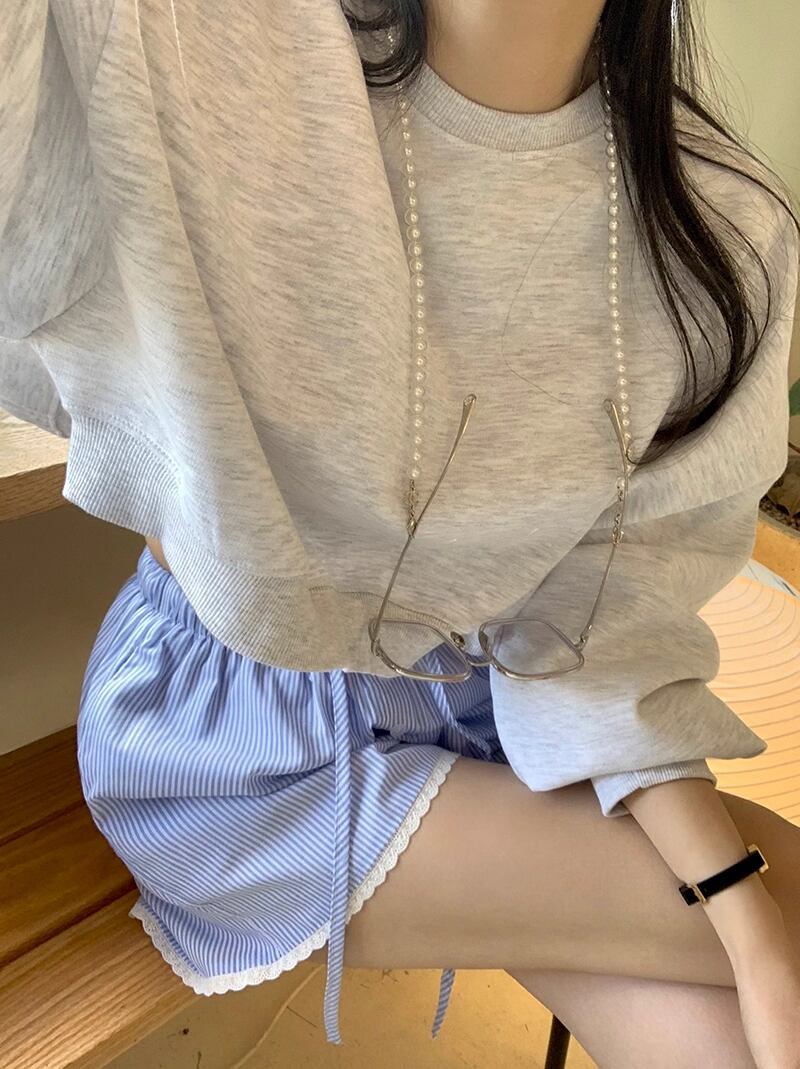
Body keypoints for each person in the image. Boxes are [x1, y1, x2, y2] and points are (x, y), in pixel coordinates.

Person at [2, 1, 800, 1064]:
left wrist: (749, 926)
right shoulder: (176, 39)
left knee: (756, 994)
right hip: (229, 746)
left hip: (490, 709)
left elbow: (603, 626)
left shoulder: (722, 230)